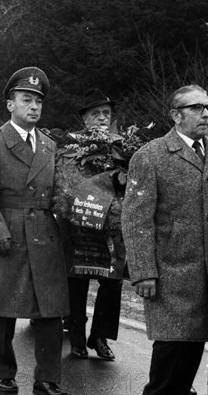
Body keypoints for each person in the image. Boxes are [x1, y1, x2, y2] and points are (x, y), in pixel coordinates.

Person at [0, 67, 71, 395]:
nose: (33, 107)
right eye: (26, 100)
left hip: (44, 232)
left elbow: (56, 190)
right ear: (10, 105)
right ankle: (3, 373)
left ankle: (47, 378)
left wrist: (76, 208)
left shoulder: (48, 145)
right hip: (8, 230)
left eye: (38, 102)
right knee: (1, 309)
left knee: (50, 310)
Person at [122, 84, 208, 395]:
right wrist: (144, 271)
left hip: (207, 277)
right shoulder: (151, 157)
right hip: (173, 277)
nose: (206, 114)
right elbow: (136, 220)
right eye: (197, 108)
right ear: (176, 115)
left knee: (191, 364)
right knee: (170, 370)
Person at [60, 89, 124, 361]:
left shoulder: (123, 145)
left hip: (111, 227)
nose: (101, 118)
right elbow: (64, 183)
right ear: (84, 118)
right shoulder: (71, 148)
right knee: (77, 281)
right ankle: (76, 337)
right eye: (95, 113)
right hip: (79, 222)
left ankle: (99, 337)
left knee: (112, 281)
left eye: (106, 114)